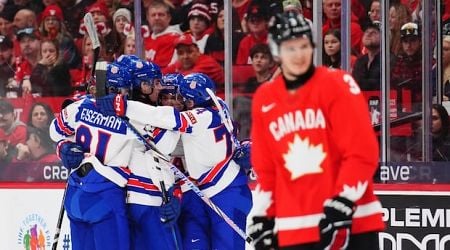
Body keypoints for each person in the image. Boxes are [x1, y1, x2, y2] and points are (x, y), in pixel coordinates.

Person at [248, 11, 384, 249]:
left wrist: (343, 200)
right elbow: (266, 167)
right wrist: (262, 216)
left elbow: (361, 149)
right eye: (291, 48)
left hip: (351, 222)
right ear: (277, 52)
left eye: (304, 46)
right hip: (295, 226)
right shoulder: (265, 98)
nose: (299, 55)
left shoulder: (337, 84)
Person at [96, 72, 252, 249]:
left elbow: (166, 119)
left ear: (190, 100)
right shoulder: (217, 106)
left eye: (178, 97)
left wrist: (124, 106)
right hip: (201, 196)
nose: (172, 102)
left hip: (222, 191)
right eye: (165, 97)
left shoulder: (197, 117)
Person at [352, 21, 381, 91]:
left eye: (373, 32)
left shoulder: (389, 60)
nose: (368, 34)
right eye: (366, 32)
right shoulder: (360, 61)